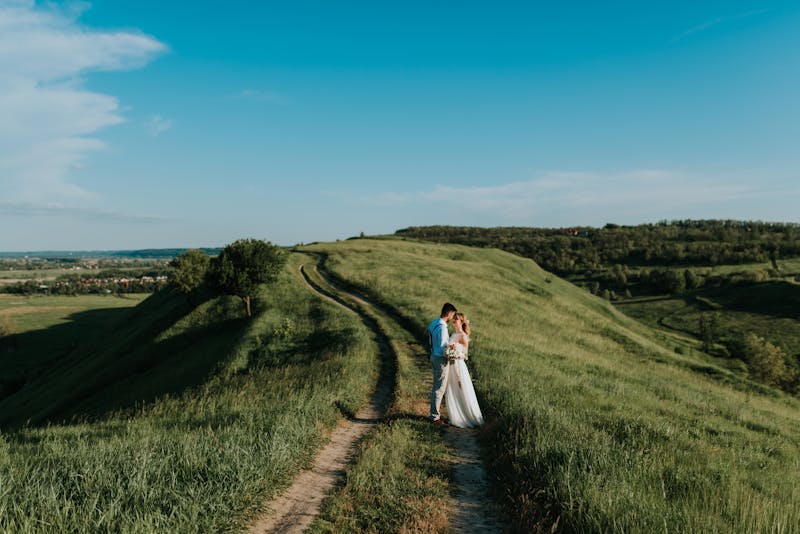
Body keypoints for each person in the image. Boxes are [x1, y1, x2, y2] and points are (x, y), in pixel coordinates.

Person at [444, 312, 484, 428]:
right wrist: (449, 353)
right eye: (453, 318)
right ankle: (455, 417)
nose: (454, 320)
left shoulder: (463, 336)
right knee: (452, 389)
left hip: (459, 366)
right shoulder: (453, 334)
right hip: (451, 365)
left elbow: (465, 355)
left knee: (461, 389)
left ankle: (468, 417)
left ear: (461, 322)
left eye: (456, 319)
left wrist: (455, 354)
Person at [429, 302, 456, 425]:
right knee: (439, 389)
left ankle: (434, 413)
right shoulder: (443, 327)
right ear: (449, 313)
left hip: (433, 355)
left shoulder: (434, 323)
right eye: (452, 314)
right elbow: (443, 347)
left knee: (436, 386)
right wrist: (451, 349)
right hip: (440, 359)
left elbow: (431, 341)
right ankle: (435, 417)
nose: (452, 317)